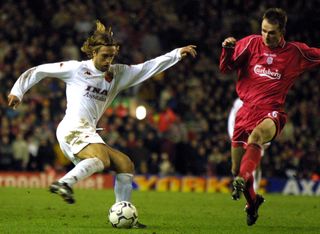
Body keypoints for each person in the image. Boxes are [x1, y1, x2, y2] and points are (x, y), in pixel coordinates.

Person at [8, 20, 197, 228]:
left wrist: (177, 54)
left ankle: (124, 215)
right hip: (72, 128)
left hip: (88, 131)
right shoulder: (76, 69)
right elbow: (38, 70)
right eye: (105, 56)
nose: (109, 60)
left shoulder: (117, 74)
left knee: (125, 164)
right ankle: (64, 183)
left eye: (112, 56)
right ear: (93, 53)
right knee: (102, 158)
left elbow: (148, 68)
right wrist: (18, 92)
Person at [219, 8, 320, 226]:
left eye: (272, 33)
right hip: (245, 111)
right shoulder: (250, 43)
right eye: (264, 31)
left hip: (271, 112)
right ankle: (252, 202)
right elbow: (226, 68)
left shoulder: (296, 52)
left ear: (282, 31)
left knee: (256, 139)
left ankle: (243, 179)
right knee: (236, 168)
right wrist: (227, 50)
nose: (266, 36)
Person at [227, 98, 270, 192]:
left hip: (257, 135)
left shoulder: (265, 100)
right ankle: (239, 186)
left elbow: (267, 121)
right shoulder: (239, 102)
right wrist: (234, 137)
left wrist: (266, 141)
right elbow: (232, 120)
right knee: (236, 169)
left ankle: (254, 190)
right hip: (240, 134)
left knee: (256, 163)